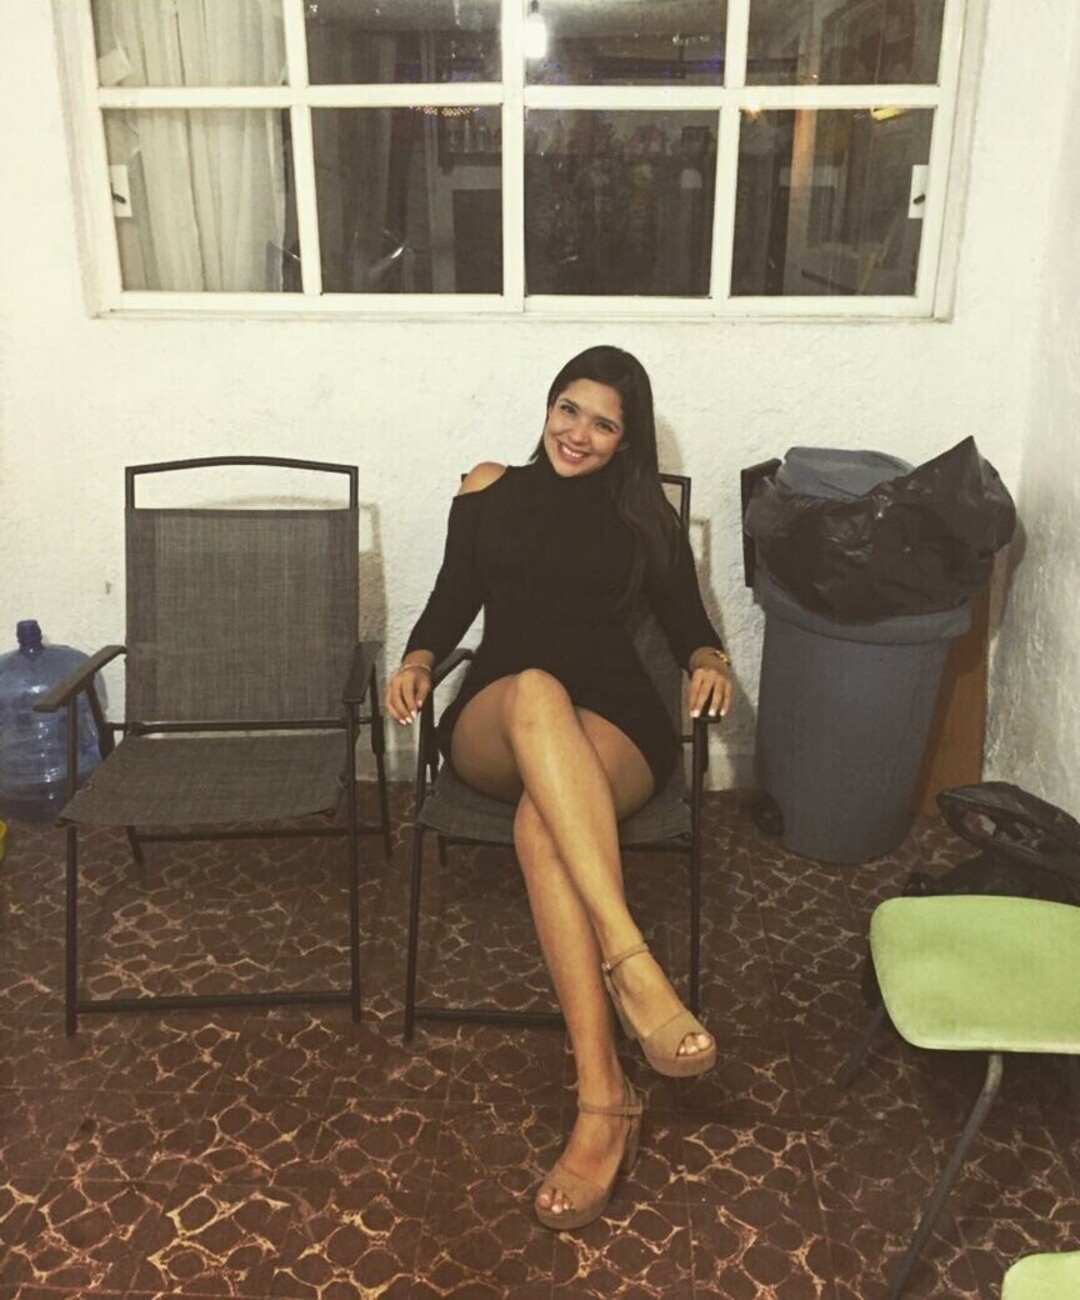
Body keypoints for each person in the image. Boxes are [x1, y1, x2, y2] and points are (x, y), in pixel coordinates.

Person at [385, 345, 733, 1230]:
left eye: (604, 423)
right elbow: (452, 596)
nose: (578, 433)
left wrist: (710, 659)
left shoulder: (644, 517)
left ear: (627, 440)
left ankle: (604, 1101)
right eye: (568, 409)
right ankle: (633, 963)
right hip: (501, 715)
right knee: (537, 689)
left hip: (615, 718)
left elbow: (688, 623)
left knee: (545, 825)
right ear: (547, 407)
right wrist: (419, 657)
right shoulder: (488, 488)